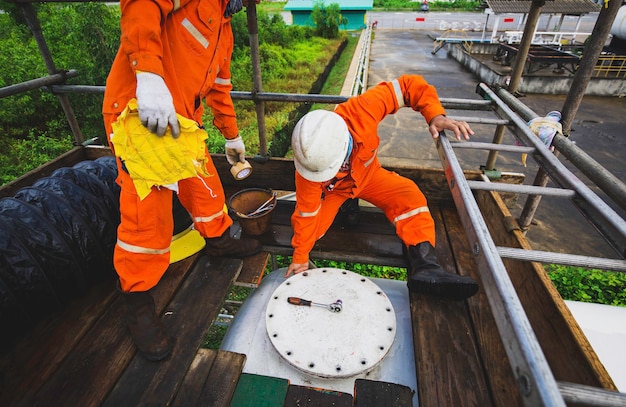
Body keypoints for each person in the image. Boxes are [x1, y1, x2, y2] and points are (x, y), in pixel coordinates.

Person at [102, 0, 260, 361]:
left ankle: (218, 240)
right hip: (139, 114)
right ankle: (136, 298)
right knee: (148, 218)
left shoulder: (225, 27)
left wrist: (232, 136)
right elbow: (141, 5)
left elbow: (219, 87)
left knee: (205, 188)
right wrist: (149, 75)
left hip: (182, 121)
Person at [286, 74, 479, 301]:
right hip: (337, 191)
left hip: (369, 177)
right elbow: (306, 212)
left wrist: (434, 115)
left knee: (410, 198)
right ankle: (348, 205)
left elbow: (409, 86)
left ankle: (426, 265)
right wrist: (300, 256)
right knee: (313, 231)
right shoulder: (309, 163)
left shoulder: (363, 110)